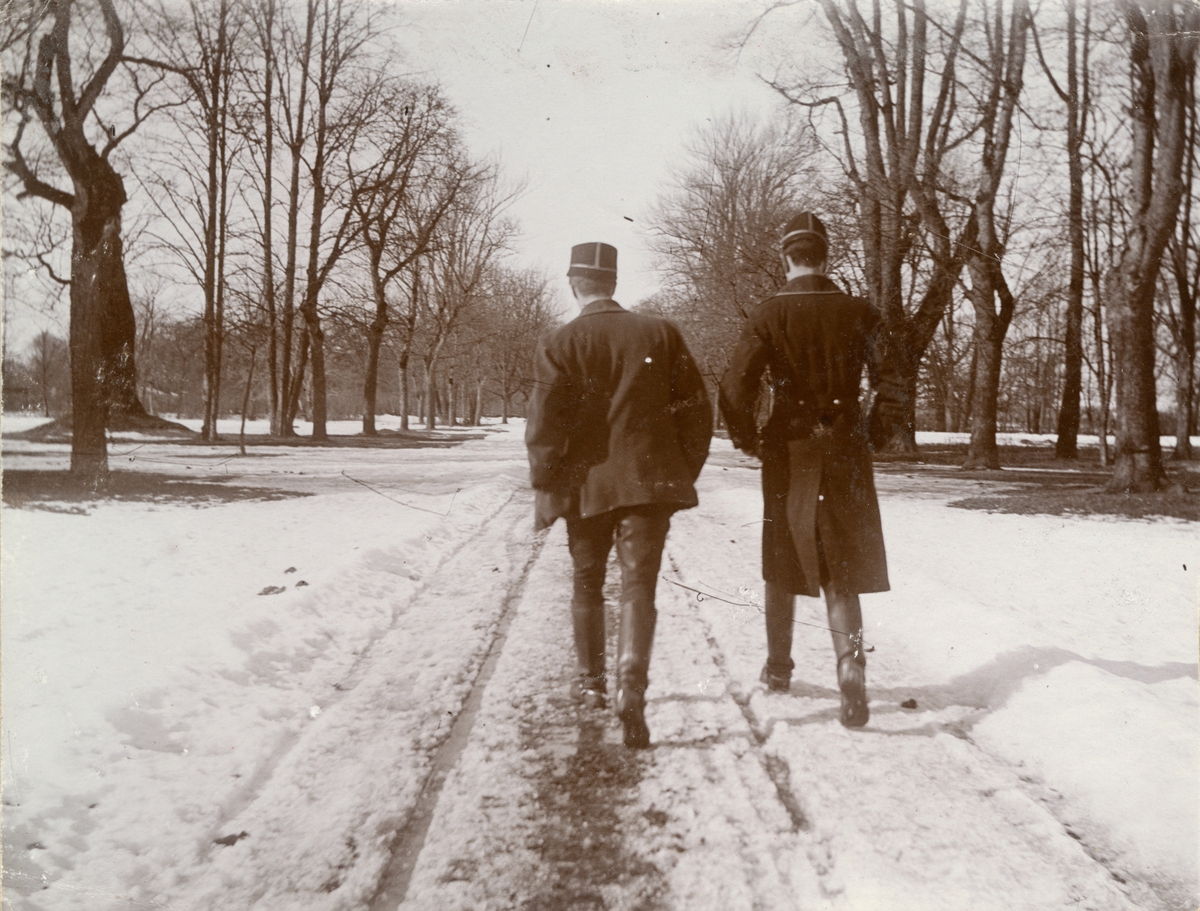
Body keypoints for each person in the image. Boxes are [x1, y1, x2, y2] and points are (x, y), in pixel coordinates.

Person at [718, 213, 903, 728]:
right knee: (841, 567)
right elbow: (894, 381)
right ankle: (851, 666)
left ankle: (779, 670)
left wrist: (748, 439)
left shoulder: (767, 314)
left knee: (782, 558)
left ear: (787, 258)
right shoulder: (861, 312)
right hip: (845, 448)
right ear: (826, 257)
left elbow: (734, 388)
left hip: (788, 451)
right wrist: (874, 433)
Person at [526, 241, 713, 748]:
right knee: (639, 586)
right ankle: (632, 685)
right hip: (648, 484)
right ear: (613, 282)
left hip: (585, 488)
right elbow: (698, 412)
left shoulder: (559, 342)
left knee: (587, 581)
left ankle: (592, 685)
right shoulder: (661, 332)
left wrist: (546, 485)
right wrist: (679, 471)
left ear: (573, 284)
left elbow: (543, 428)